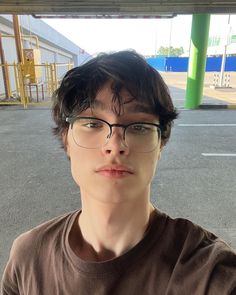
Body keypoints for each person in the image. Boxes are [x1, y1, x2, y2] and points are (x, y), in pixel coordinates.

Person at [1, 50, 236, 295]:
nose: (114, 144)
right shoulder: (29, 259)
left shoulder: (209, 274)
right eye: (92, 123)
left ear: (161, 144)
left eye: (138, 126)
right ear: (66, 138)